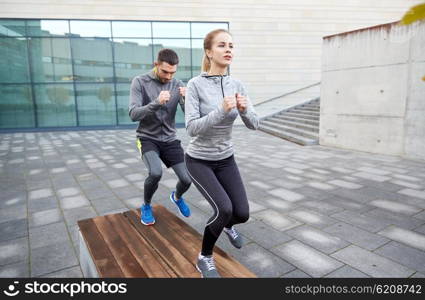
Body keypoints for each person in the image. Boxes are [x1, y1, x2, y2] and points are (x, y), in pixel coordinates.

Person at [184, 29, 259, 277]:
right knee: (224, 209)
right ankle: (204, 257)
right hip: (198, 160)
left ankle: (228, 227)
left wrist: (246, 109)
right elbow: (192, 128)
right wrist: (219, 110)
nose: (228, 49)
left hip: (226, 159)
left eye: (231, 45)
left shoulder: (237, 85)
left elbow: (254, 124)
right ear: (209, 52)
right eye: (221, 45)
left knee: (242, 214)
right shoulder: (195, 85)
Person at [129, 48, 192, 225]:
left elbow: (189, 115)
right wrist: (156, 102)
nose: (169, 77)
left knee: (187, 179)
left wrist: (186, 100)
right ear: (156, 65)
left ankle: (177, 197)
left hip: (170, 139)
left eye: (173, 72)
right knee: (155, 173)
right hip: (147, 138)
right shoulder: (140, 82)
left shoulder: (177, 84)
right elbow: (133, 114)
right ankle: (146, 205)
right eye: (165, 71)